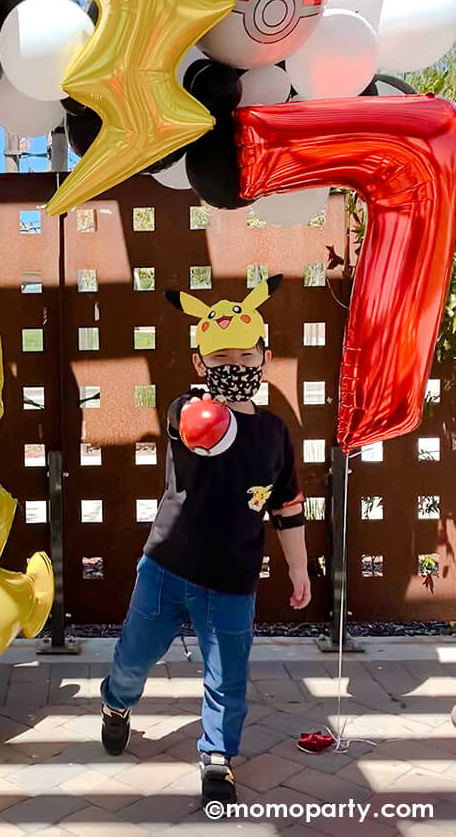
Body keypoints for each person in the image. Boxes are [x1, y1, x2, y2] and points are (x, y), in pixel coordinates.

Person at [100, 274, 310, 809]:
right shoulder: (187, 411)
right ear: (200, 365)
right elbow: (185, 423)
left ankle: (217, 757)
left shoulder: (275, 434)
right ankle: (116, 702)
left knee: (228, 676)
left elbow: (286, 506)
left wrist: (300, 569)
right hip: (167, 568)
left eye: (245, 355)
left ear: (264, 357)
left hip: (233, 580)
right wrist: (199, 412)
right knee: (133, 657)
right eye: (220, 360)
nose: (234, 367)